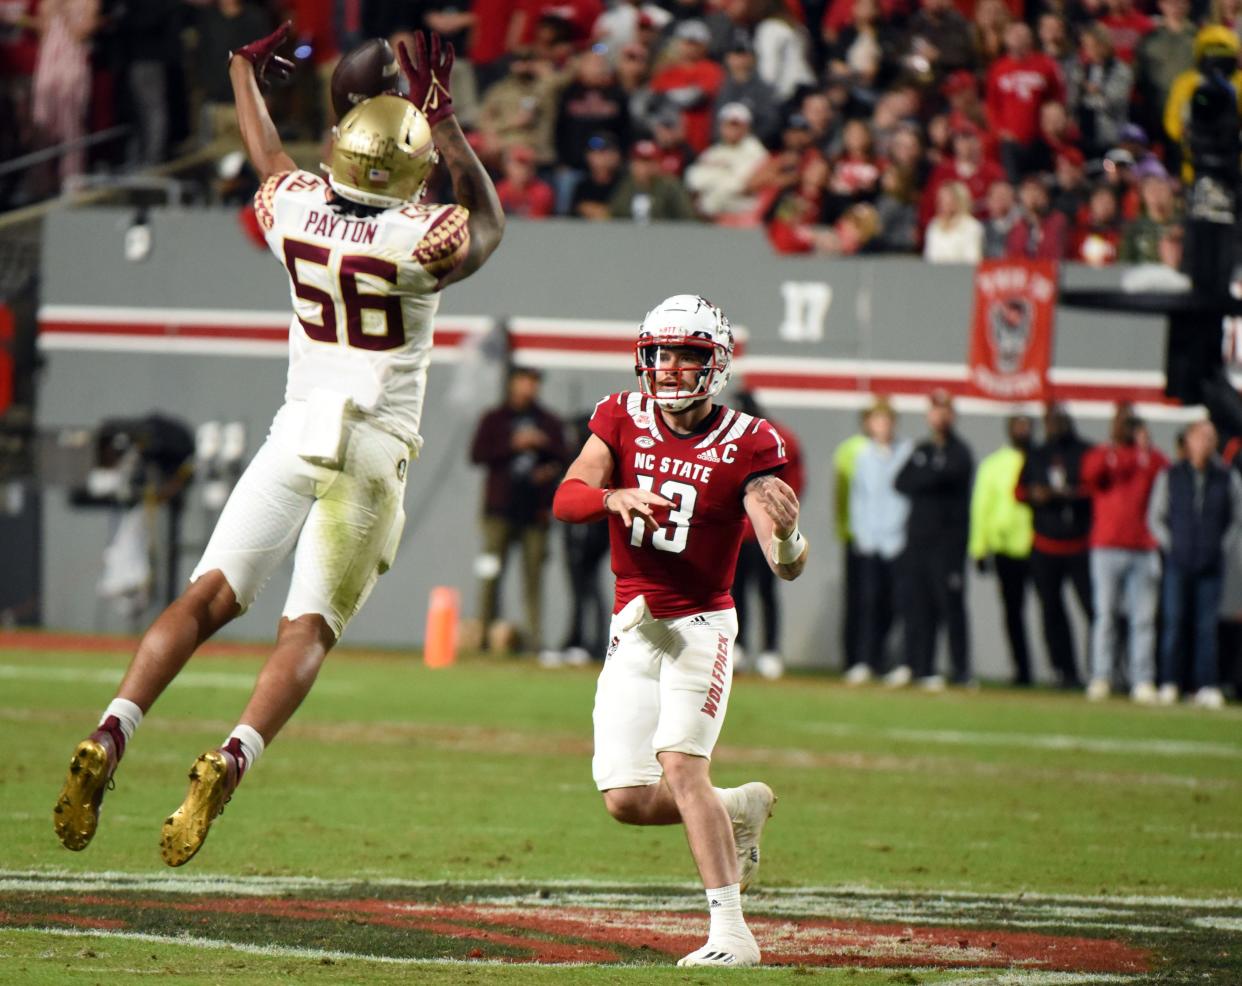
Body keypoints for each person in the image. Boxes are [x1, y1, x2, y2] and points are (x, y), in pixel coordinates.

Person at [52, 28, 504, 865]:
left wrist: (241, 74)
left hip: (295, 429)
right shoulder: (421, 237)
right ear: (407, 170)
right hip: (372, 445)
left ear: (337, 147)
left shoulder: (292, 210)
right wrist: (444, 126)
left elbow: (269, 162)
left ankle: (113, 732)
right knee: (307, 629)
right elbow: (488, 225)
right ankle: (230, 756)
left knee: (204, 599)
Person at [551, 294, 807, 967]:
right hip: (635, 626)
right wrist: (614, 495)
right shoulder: (620, 416)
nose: (667, 368)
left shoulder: (749, 440)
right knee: (628, 799)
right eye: (660, 353)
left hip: (698, 624)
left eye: (686, 353)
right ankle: (734, 811)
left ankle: (732, 933)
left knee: (681, 765)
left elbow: (784, 562)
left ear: (714, 362)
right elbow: (567, 496)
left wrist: (788, 537)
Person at [469, 366, 568, 655]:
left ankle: (534, 643)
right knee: (490, 575)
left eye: (534, 382)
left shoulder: (548, 421)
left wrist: (545, 457)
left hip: (535, 514)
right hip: (498, 512)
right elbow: (477, 455)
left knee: (533, 580)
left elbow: (565, 458)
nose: (528, 388)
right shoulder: (495, 419)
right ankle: (483, 639)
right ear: (512, 383)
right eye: (523, 381)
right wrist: (512, 444)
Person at [1147, 419, 1242, 708]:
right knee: (1174, 622)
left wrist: (1220, 548)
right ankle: (1170, 682)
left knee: (1206, 627)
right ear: (1188, 441)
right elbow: (1156, 517)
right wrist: (1171, 546)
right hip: (1178, 561)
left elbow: (1236, 519)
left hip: (1210, 563)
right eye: (1201, 436)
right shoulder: (1171, 475)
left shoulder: (1226, 476)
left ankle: (1206, 684)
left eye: (1211, 437)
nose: (1206, 442)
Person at [1081, 406, 1169, 702]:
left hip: (1142, 548)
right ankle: (1101, 675)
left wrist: (1144, 448)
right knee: (1105, 615)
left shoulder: (1149, 457)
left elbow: (1164, 473)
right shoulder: (1104, 454)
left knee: (1142, 619)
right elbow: (1091, 475)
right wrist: (1119, 448)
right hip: (1106, 547)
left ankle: (1141, 678)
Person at [895, 389, 974, 689]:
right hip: (918, 542)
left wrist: (927, 474)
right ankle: (921, 667)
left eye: (945, 411)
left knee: (950, 606)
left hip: (948, 545)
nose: (939, 416)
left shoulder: (960, 452)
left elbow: (949, 477)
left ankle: (962, 671)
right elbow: (902, 481)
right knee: (919, 606)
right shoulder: (923, 449)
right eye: (935, 411)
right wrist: (930, 473)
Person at [1016, 403, 1094, 688]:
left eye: (1059, 420)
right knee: (1051, 611)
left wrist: (1068, 494)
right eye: (1050, 421)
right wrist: (1039, 495)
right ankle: (1064, 670)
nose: (1054, 426)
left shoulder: (1084, 451)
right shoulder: (1037, 454)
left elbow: (1095, 489)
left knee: (1093, 610)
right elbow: (1019, 491)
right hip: (1046, 545)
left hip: (1078, 544)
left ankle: (1100, 671)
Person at [730, 390, 805, 678]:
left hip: (765, 530)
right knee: (735, 593)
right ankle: (738, 647)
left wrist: (783, 519)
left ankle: (770, 649)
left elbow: (794, 483)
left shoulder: (778, 439)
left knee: (766, 591)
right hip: (735, 531)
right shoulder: (727, 443)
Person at [846, 399, 912, 685]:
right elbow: (857, 500)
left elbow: (908, 500)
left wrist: (902, 534)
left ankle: (897, 663)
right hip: (870, 543)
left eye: (886, 420)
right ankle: (865, 661)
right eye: (877, 420)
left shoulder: (906, 453)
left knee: (900, 605)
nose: (882, 426)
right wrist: (862, 537)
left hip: (898, 542)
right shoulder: (862, 456)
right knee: (868, 604)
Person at [970, 415, 1035, 685]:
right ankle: (1022, 670)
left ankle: (1063, 670)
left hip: (1039, 544)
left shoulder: (1040, 459)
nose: (1022, 431)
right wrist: (979, 547)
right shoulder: (993, 464)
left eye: (1026, 426)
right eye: (1017, 426)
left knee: (1050, 611)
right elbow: (981, 507)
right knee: (1012, 612)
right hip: (1006, 548)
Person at [832, 409, 871, 674]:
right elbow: (842, 494)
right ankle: (852, 659)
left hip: (884, 539)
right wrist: (845, 528)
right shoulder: (850, 450)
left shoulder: (892, 450)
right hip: (856, 536)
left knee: (879, 601)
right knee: (856, 600)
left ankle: (872, 658)